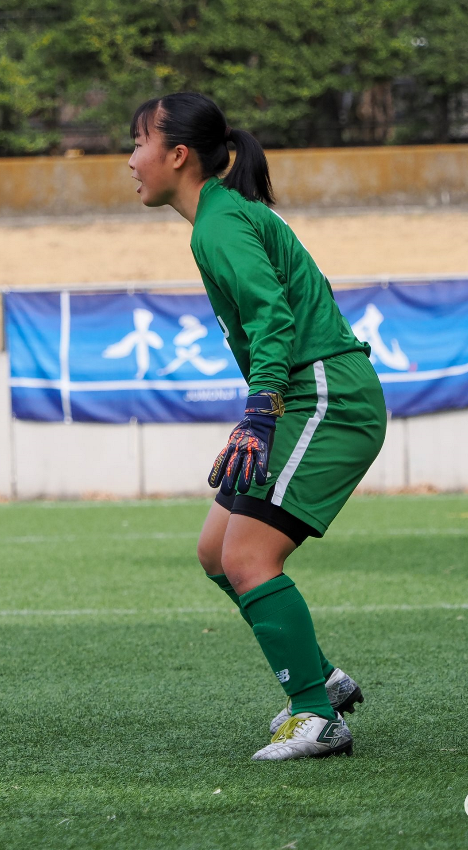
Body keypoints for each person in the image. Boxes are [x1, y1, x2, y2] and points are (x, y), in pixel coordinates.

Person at [128, 93, 387, 761]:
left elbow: (273, 318)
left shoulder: (220, 224)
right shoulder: (216, 220)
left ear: (177, 155)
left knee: (248, 558)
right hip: (303, 394)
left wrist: (259, 411)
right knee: (217, 552)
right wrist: (264, 409)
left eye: (138, 143)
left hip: (326, 395)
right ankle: (321, 680)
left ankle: (316, 716)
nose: (130, 161)